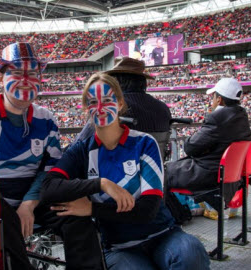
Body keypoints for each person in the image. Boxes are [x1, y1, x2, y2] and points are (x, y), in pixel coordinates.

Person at [0, 42, 104, 270]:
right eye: (15, 72)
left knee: (76, 218)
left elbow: (51, 169)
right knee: (2, 214)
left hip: (34, 197)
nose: (25, 79)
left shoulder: (47, 119)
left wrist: (28, 203)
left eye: (33, 73)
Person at [41, 73, 210, 270]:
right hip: (118, 247)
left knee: (191, 253)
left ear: (120, 103)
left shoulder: (144, 143)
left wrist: (92, 209)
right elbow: (48, 188)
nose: (101, 108)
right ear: (86, 108)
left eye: (107, 100)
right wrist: (101, 183)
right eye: (93, 102)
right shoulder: (81, 151)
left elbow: (147, 210)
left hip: (163, 234)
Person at [166, 78, 251, 196]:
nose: (212, 100)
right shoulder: (242, 116)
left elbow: (190, 148)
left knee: (159, 173)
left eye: (213, 97)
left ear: (219, 100)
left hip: (208, 173)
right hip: (230, 174)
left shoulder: (217, 118)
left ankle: (168, 214)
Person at [74, 57, 171, 155]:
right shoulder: (164, 108)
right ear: (142, 82)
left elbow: (79, 144)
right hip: (155, 165)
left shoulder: (112, 107)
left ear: (117, 82)